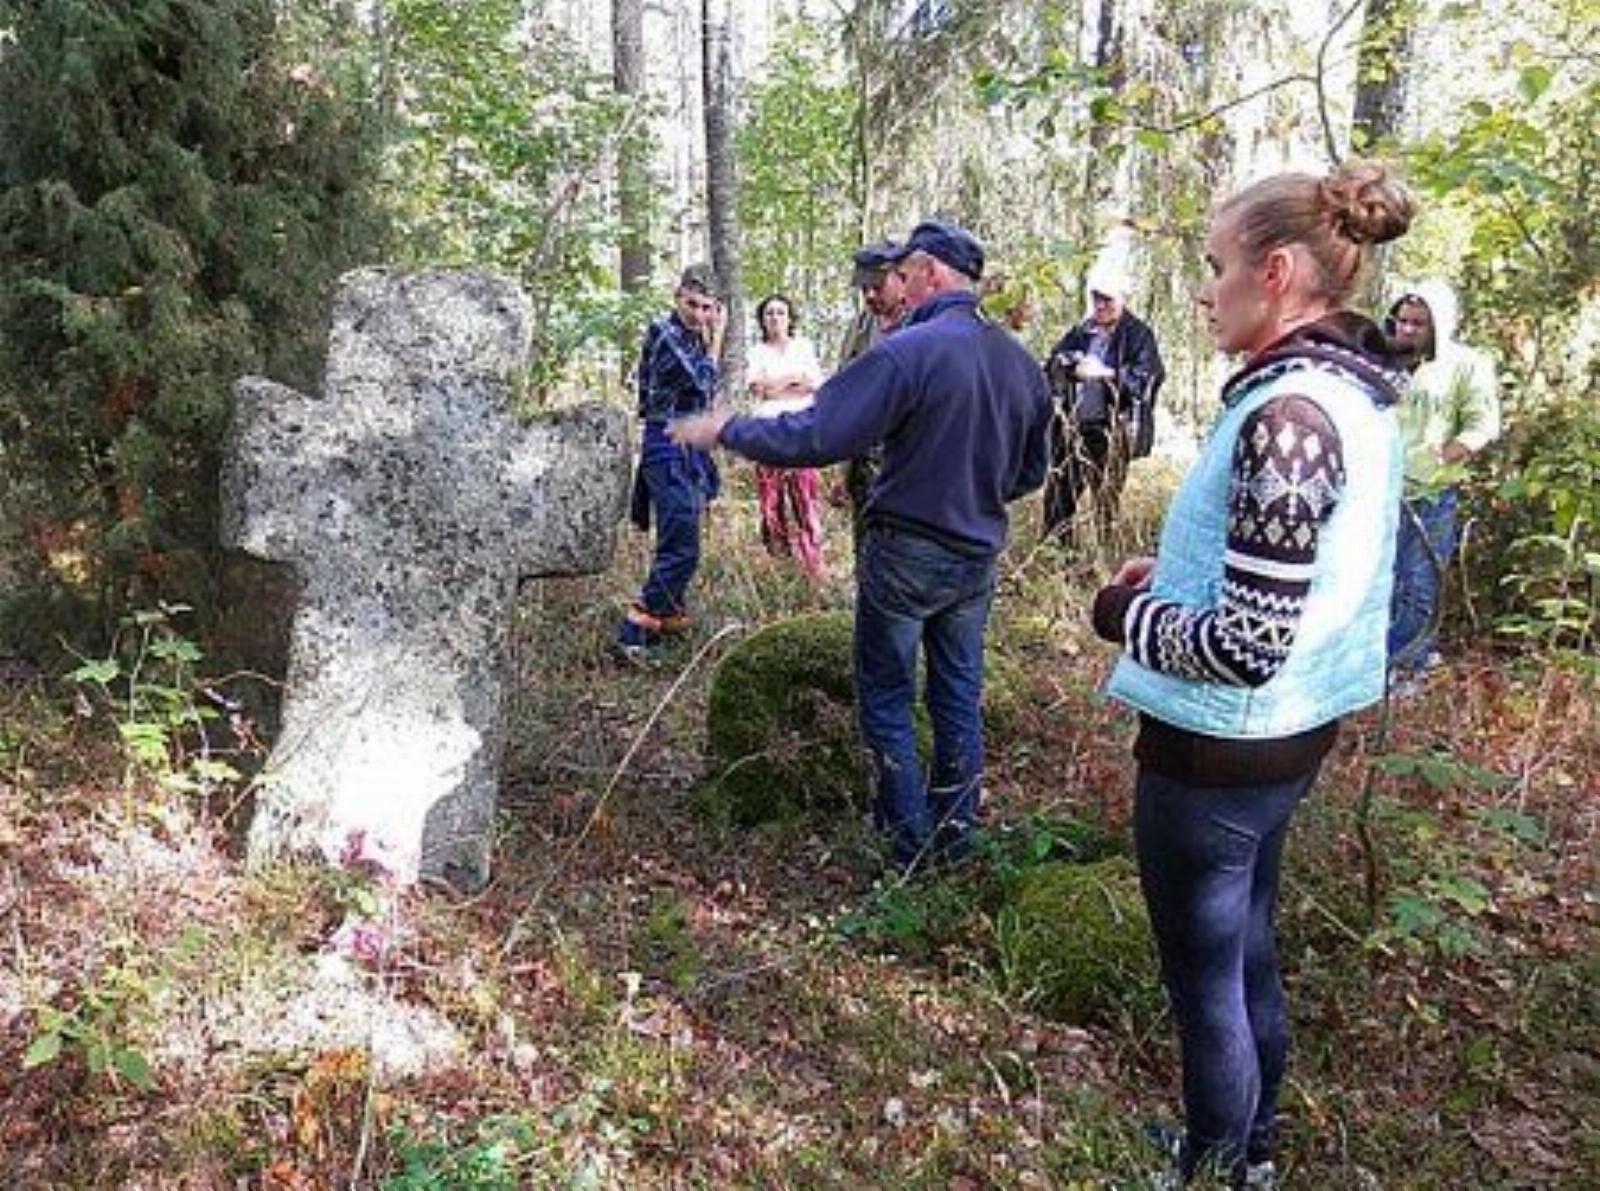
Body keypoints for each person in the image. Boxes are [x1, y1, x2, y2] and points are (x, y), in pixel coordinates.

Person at [1088, 163, 1416, 1187]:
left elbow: (1244, 646)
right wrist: (1173, 578)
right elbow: (1285, 580)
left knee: (1208, 985)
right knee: (1245, 953)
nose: (1202, 289)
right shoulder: (1347, 395)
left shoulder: (1290, 416)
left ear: (1275, 273)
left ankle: (1217, 1165)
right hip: (1282, 739)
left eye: (1215, 264)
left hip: (1219, 749)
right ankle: (1250, 1147)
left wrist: (1123, 614)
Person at [672, 220, 1052, 870]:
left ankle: (906, 851)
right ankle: (956, 839)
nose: (895, 287)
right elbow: (1031, 472)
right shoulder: (1019, 363)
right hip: (976, 556)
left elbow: (817, 433)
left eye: (903, 274)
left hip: (906, 551)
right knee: (957, 695)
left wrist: (728, 429)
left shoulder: (909, 351)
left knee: (886, 695)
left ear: (932, 273)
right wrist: (976, 493)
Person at [1383, 279, 1501, 676]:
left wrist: (1442, 457)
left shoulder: (1467, 364)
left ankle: (1407, 669)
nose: (1407, 330)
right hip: (1377, 493)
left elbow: (1483, 425)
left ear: (1437, 325)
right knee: (1376, 582)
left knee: (1418, 584)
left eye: (1418, 323)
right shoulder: (1381, 360)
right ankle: (1373, 670)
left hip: (1430, 495)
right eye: (1402, 321)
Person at [615, 264, 726, 661]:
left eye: (707, 308)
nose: (698, 314)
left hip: (689, 446)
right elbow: (702, 382)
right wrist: (717, 342)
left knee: (681, 538)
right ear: (677, 298)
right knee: (681, 548)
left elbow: (705, 398)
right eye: (692, 304)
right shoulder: (665, 332)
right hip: (666, 445)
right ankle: (634, 633)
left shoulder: (693, 338)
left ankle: (666, 620)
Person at [1042, 267, 1165, 544]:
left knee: (1105, 500)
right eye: (1096, 298)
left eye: (1107, 299)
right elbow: (1052, 365)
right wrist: (1072, 367)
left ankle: (1104, 555)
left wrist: (1106, 373)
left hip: (1113, 431)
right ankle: (1059, 555)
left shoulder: (1138, 335)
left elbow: (1149, 377)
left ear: (1123, 298)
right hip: (1073, 429)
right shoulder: (1081, 332)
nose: (1100, 305)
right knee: (1058, 497)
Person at [747, 293, 827, 579]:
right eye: (769, 313)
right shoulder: (756, 352)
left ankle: (813, 566)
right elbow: (759, 389)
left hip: (802, 431)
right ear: (762, 320)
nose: (775, 318)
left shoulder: (803, 347)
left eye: (780, 312)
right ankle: (779, 567)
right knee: (771, 501)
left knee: (805, 498)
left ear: (790, 317)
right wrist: (792, 381)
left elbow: (814, 384)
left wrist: (777, 385)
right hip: (767, 432)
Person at [836, 241, 910, 546]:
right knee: (867, 549)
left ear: (902, 279)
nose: (868, 295)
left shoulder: (926, 324)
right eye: (863, 288)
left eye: (877, 286)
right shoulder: (860, 327)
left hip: (910, 467)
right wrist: (843, 470)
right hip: (864, 464)